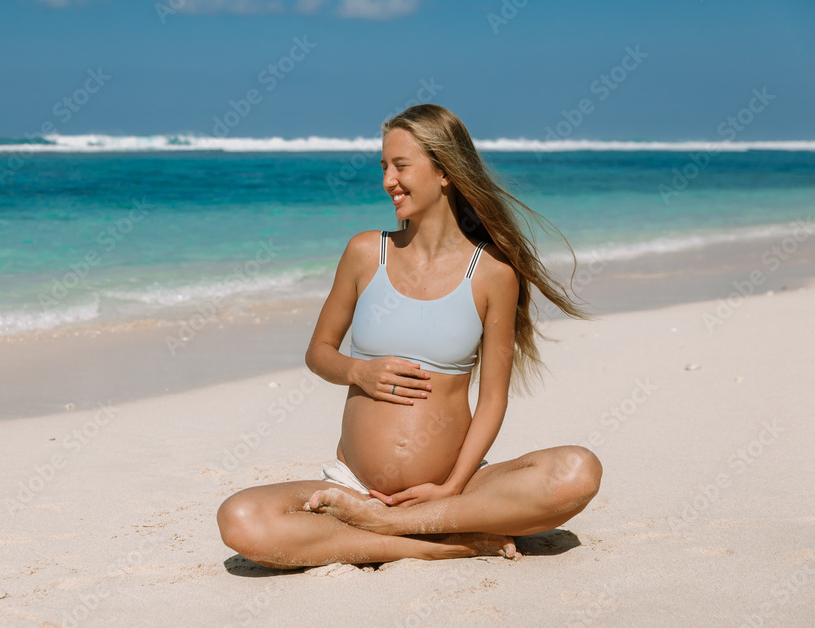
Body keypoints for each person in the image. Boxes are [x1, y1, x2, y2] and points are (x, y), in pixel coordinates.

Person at [216, 104, 602, 568]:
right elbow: (318, 353)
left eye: (401, 166)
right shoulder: (365, 253)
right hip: (353, 486)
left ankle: (392, 526)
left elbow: (493, 400)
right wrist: (358, 370)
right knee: (240, 518)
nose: (388, 181)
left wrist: (453, 486)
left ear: (445, 171)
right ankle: (433, 542)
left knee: (577, 471)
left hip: (450, 488)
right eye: (383, 167)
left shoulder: (493, 275)